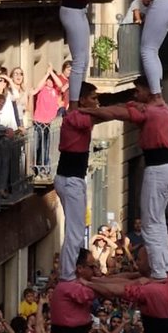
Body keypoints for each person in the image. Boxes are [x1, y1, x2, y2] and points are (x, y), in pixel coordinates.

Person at [85, 77, 168, 279]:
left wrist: (87, 111)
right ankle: (163, 265)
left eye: (138, 90)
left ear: (148, 90)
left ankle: (159, 271)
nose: (135, 94)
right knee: (158, 221)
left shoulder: (149, 112)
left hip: (157, 169)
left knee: (150, 224)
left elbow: (114, 113)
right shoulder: (163, 108)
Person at [54, 82, 117, 281]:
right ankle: (68, 275)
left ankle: (68, 272)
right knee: (75, 230)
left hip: (70, 178)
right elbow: (106, 115)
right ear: (82, 100)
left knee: (75, 229)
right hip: (71, 179)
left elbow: (104, 115)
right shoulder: (78, 117)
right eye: (93, 98)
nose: (97, 102)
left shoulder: (80, 116)